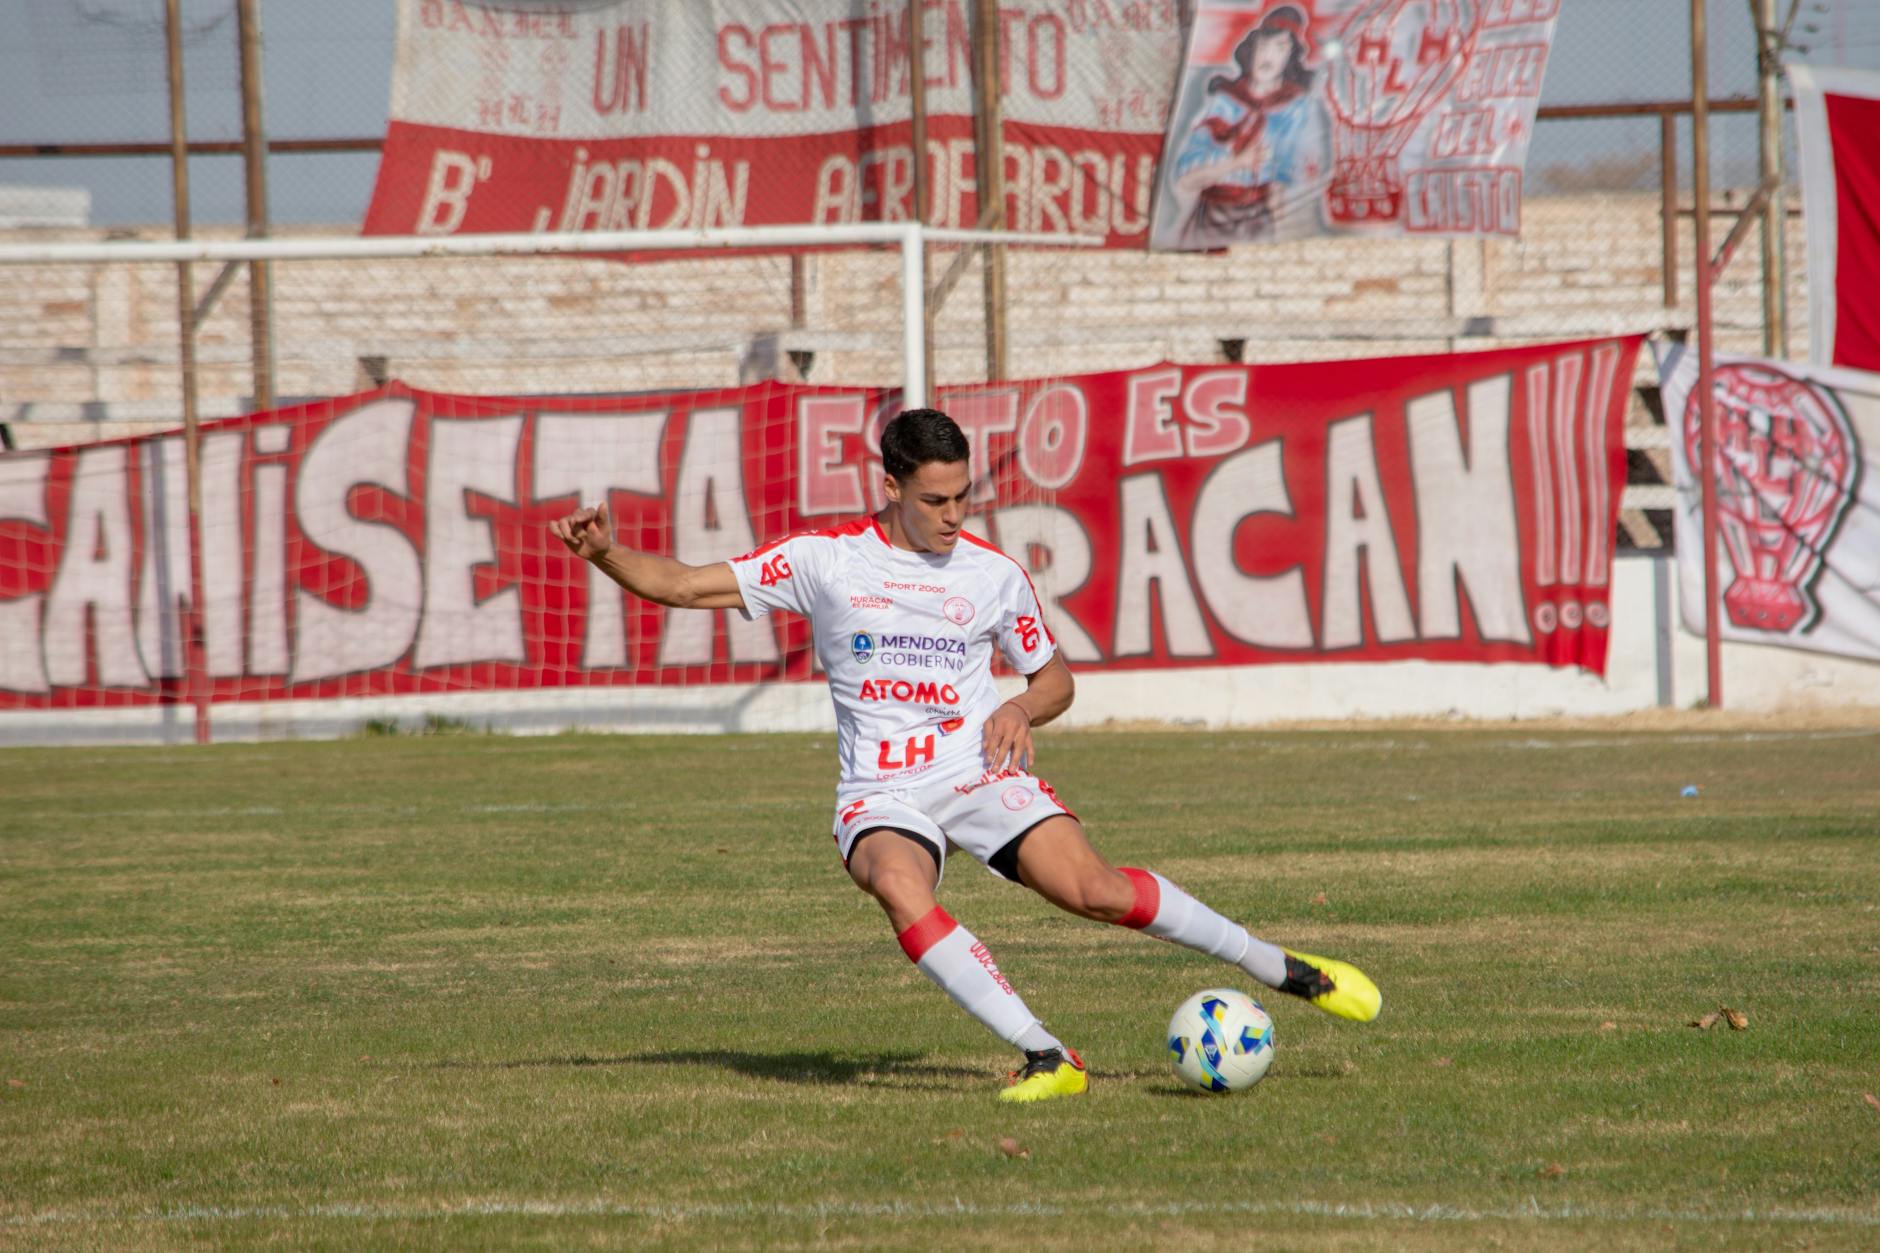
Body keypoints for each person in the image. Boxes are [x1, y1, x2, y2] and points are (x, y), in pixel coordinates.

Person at [549, 408, 1379, 1103]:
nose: (953, 514)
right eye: (934, 499)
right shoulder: (825, 562)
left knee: (1096, 891)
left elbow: (1055, 679)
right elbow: (688, 584)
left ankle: (1282, 967)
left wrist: (1019, 704)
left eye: (962, 496)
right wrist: (605, 555)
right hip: (882, 788)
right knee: (896, 883)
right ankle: (1049, 1055)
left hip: (974, 769)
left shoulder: (992, 575)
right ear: (891, 487)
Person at [1168, 3, 1325, 247]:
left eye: (1280, 47)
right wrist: (1235, 163)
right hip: (1211, 220)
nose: (1268, 56)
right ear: (1251, 50)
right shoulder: (1225, 101)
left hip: (1258, 223)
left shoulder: (1296, 109)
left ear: (1290, 56)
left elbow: (1296, 175)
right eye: (1263, 46)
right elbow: (1185, 178)